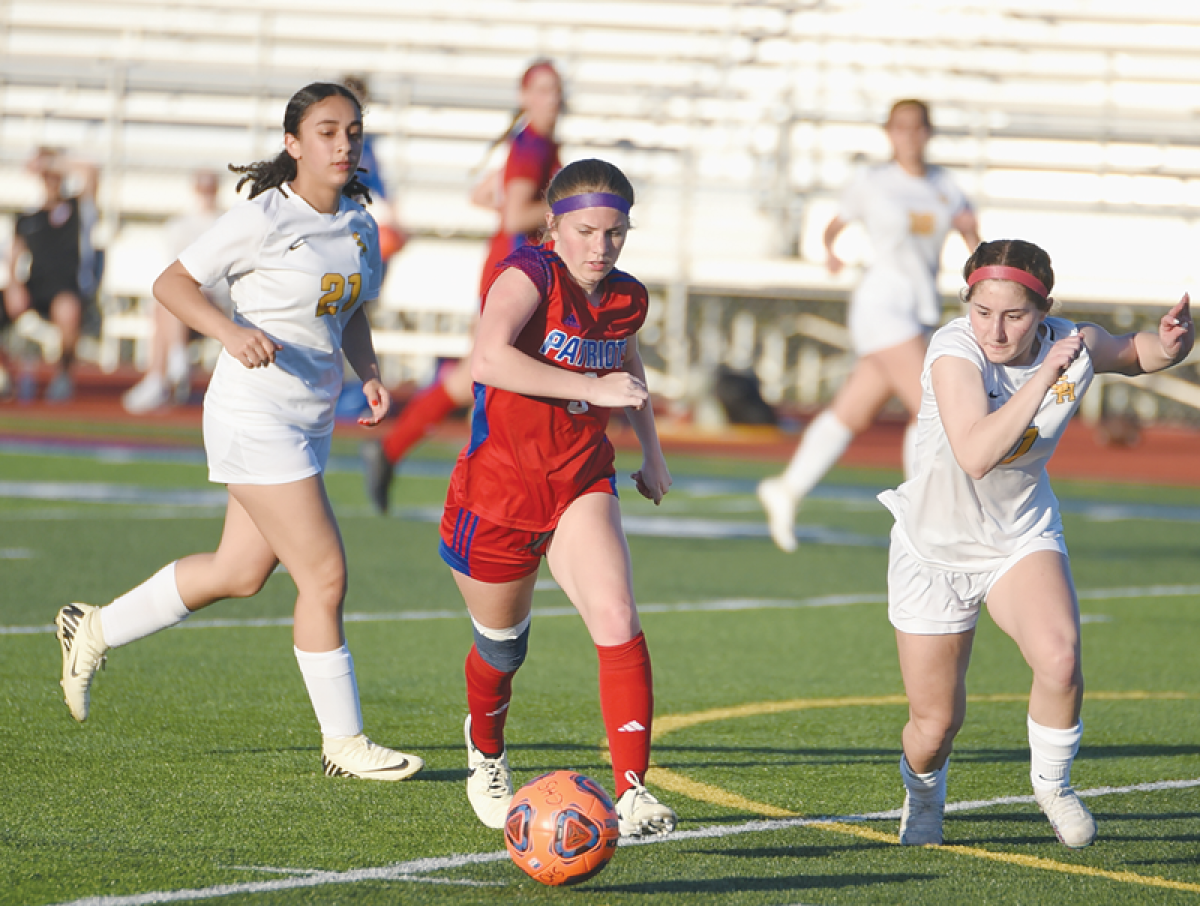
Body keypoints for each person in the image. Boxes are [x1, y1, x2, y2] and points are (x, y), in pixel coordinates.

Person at [53, 82, 423, 782]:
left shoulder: (359, 223)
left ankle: (92, 628)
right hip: (254, 415)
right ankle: (343, 744)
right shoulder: (262, 218)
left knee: (240, 573)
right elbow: (172, 283)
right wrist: (229, 329)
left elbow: (348, 311)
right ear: (293, 144)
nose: (344, 143)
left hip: (309, 420)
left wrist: (368, 372)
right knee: (325, 576)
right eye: (326, 131)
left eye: (352, 131)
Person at [878, 238, 1193, 848]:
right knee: (934, 725)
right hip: (934, 549)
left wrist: (1174, 346)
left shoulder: (1071, 343)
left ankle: (1052, 785)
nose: (996, 330)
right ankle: (922, 795)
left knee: (1060, 655)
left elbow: (1133, 352)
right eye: (982, 311)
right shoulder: (954, 351)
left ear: (1045, 310)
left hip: (1020, 532)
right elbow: (974, 454)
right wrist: (1045, 376)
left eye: (1015, 315)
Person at [440, 158, 677, 838]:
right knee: (501, 650)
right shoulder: (527, 274)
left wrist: (650, 451)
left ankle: (633, 792)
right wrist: (594, 391)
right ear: (553, 225)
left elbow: (625, 360)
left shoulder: (627, 296)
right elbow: (487, 359)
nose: (600, 247)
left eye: (615, 233)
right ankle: (486, 750)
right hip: (497, 493)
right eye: (585, 231)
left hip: (580, 479)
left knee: (616, 614)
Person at [758, 99, 981, 551]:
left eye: (917, 128)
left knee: (853, 411)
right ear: (889, 133)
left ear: (928, 133)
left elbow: (973, 240)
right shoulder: (873, 182)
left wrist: (972, 236)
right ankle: (923, 516)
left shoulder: (945, 187)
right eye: (900, 128)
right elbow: (834, 225)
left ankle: (786, 488)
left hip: (918, 307)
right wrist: (831, 252)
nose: (909, 137)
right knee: (930, 402)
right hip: (882, 305)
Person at [361, 58, 563, 513]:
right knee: (495, 378)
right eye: (544, 90)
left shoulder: (533, 145)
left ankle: (393, 451)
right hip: (514, 272)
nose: (553, 99)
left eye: (557, 90)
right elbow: (515, 215)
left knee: (482, 374)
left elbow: (488, 194)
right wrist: (567, 207)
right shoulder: (532, 147)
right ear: (525, 97)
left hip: (514, 267)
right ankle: (487, 485)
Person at [122, 169, 225, 414]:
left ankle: (160, 374)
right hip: (188, 300)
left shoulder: (226, 221)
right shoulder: (180, 225)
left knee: (168, 303)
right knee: (166, 303)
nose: (206, 194)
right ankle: (170, 366)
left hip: (217, 301)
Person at [4, 147, 100, 402]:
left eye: (54, 174)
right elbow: (13, 256)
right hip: (36, 285)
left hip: (66, 286)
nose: (51, 179)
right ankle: (5, 373)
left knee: (67, 309)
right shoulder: (28, 217)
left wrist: (50, 161)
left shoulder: (77, 208)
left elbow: (90, 172)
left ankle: (63, 376)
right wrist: (14, 286)